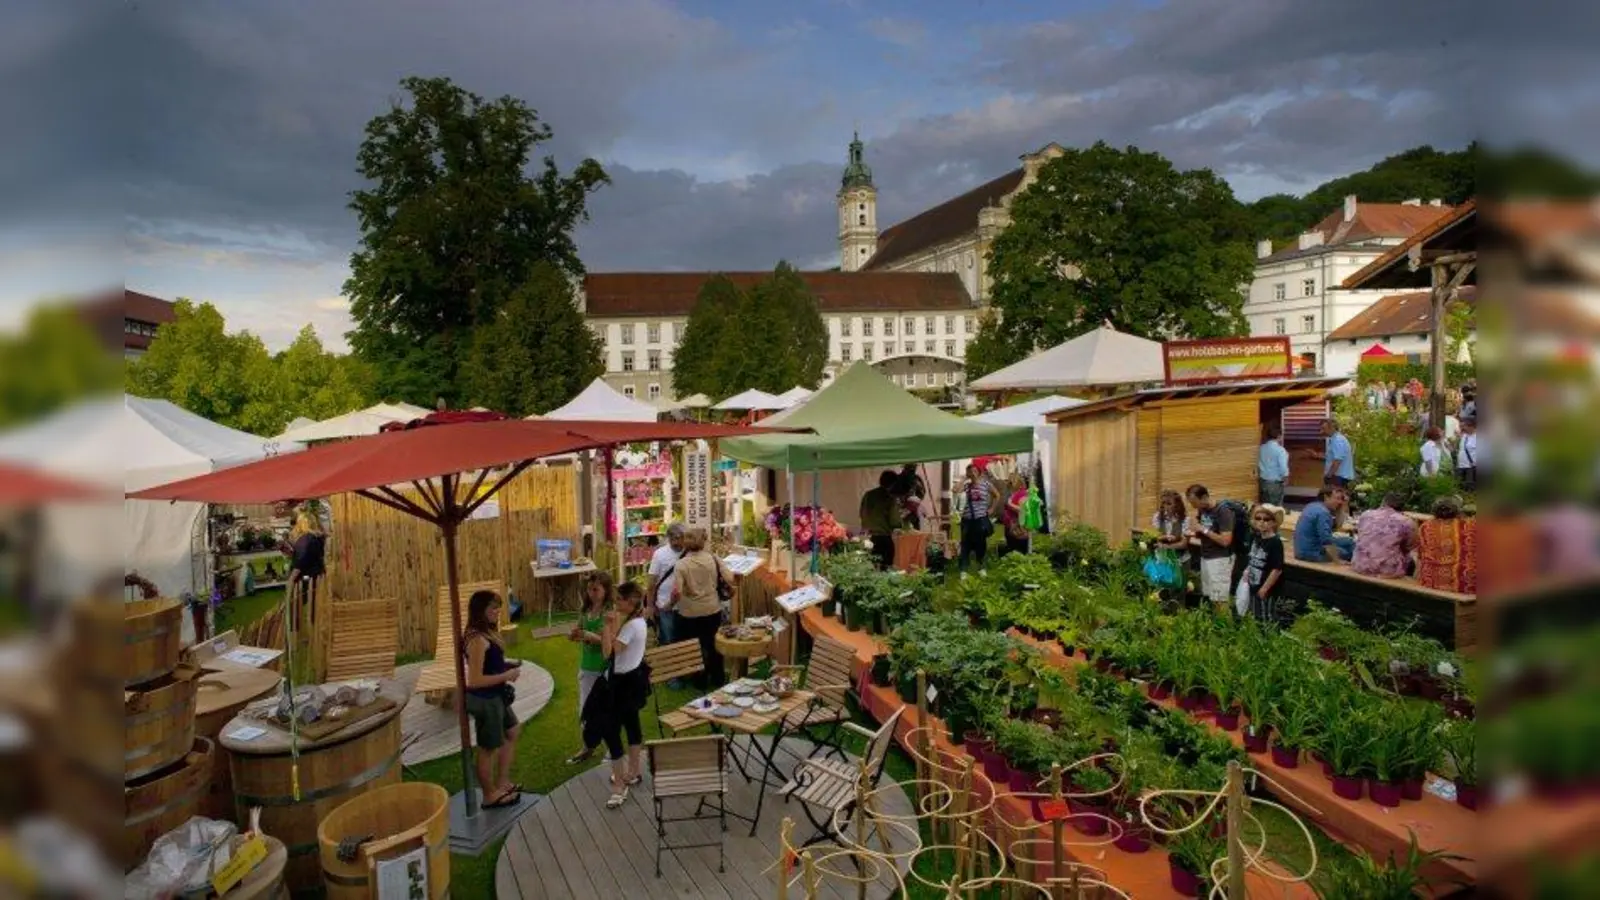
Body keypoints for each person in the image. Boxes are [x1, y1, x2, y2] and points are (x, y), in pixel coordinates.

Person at [462, 590, 523, 809]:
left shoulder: (486, 632)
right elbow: (475, 680)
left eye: (499, 608)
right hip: (485, 699)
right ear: (480, 611)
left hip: (496, 695)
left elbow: (491, 664)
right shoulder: (477, 639)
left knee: (513, 731)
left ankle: (502, 782)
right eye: (492, 609)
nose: (497, 612)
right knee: (488, 748)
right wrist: (506, 676)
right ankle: (489, 795)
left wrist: (507, 665)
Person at [599, 583, 650, 810]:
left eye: (619, 599)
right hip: (634, 680)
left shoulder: (630, 627)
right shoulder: (638, 622)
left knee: (611, 732)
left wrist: (607, 627)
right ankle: (634, 772)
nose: (616, 602)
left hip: (622, 685)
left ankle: (619, 786)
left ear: (631, 602)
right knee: (632, 725)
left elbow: (608, 652)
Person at [669, 527, 729, 688]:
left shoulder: (681, 564)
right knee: (713, 645)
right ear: (704, 541)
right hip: (712, 609)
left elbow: (677, 592)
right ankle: (718, 678)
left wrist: (668, 605)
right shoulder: (714, 559)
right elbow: (730, 578)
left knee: (695, 648)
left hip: (688, 612)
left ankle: (699, 681)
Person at [565, 572, 613, 766]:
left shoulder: (610, 613)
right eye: (589, 589)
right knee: (585, 711)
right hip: (586, 667)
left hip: (604, 668)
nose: (591, 593)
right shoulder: (585, 610)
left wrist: (590, 636)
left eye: (596, 589)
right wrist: (574, 634)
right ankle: (587, 747)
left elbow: (609, 642)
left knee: (605, 711)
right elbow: (579, 630)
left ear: (606, 590)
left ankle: (612, 749)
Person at [1183, 485, 1235, 606]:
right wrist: (1194, 532)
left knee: (1219, 600)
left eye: (1195, 503)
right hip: (1206, 556)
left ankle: (1224, 623)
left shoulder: (1223, 511)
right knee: (1209, 596)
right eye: (1191, 503)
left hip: (1220, 559)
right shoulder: (1202, 510)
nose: (1194, 507)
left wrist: (1203, 529)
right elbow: (1204, 532)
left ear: (1205, 497)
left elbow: (1226, 541)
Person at [1417, 497, 1477, 594]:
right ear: (1456, 510)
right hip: (1462, 585)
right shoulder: (1468, 525)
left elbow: (1420, 554)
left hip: (1431, 582)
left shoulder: (1425, 526)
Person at [1351, 493, 1418, 579]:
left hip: (1358, 565)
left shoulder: (1366, 514)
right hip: (1386, 571)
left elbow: (1360, 533)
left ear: (1383, 502)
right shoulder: (1406, 522)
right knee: (1411, 560)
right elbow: (1410, 546)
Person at [1239, 505, 1286, 623]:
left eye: (1266, 519)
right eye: (1258, 518)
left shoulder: (1275, 542)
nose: (1261, 522)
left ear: (1273, 523)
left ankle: (1270, 639)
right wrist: (1247, 572)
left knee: (1267, 616)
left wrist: (1265, 588)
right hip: (1253, 584)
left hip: (1265, 587)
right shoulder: (1256, 538)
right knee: (1256, 614)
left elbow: (1277, 569)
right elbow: (1252, 558)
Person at [646, 523, 687, 646]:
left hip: (686, 607)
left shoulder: (690, 552)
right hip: (665, 606)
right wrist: (650, 606)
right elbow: (651, 582)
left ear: (685, 537)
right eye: (672, 538)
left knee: (685, 642)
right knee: (668, 642)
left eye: (678, 538)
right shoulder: (660, 554)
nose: (675, 542)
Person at [284, 511, 326, 628]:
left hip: (306, 577)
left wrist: (291, 579)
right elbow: (311, 556)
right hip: (317, 574)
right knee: (314, 602)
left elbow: (301, 561)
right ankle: (315, 624)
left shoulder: (305, 539)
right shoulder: (318, 537)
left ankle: (297, 628)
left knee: (297, 601)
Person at [1293, 488, 1353, 563]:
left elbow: (1335, 528)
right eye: (1337, 498)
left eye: (1341, 499)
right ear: (1326, 497)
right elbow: (1326, 540)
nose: (1340, 502)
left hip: (1301, 549)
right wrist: (1337, 560)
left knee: (1349, 542)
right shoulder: (1323, 513)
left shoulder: (1311, 506)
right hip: (1312, 553)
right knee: (1348, 551)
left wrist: (1342, 507)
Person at [859, 471, 901, 570]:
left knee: (870, 568)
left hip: (869, 537)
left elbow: (862, 513)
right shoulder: (890, 498)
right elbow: (894, 521)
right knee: (886, 568)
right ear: (893, 483)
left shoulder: (868, 495)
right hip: (884, 538)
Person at [957, 464, 996, 571]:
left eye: (974, 470)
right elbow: (955, 490)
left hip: (980, 518)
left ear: (979, 472)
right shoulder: (966, 486)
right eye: (970, 471)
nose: (972, 473)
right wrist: (964, 478)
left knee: (981, 544)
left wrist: (992, 508)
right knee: (965, 544)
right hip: (967, 519)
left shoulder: (986, 484)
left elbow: (997, 495)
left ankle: (981, 567)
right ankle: (963, 569)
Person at [1257, 424, 1290, 506]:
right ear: (1279, 436)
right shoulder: (1280, 450)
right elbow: (1283, 468)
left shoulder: (1261, 448)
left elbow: (1258, 463)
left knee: (1265, 508)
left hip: (1263, 482)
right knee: (1276, 509)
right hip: (1275, 484)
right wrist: (1286, 478)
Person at [1318, 419, 1355, 489]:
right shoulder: (1334, 439)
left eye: (1324, 428)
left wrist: (1328, 476)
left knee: (1335, 498)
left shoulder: (1338, 440)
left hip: (1338, 477)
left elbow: (1337, 461)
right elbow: (1331, 457)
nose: (1321, 431)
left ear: (1332, 428)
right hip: (1337, 477)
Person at [1001, 475, 1031, 556]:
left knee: (1019, 550)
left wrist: (1009, 504)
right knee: (1012, 548)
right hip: (1011, 526)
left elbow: (1023, 510)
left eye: (1011, 482)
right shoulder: (1013, 493)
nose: (1009, 484)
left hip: (1018, 527)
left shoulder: (1023, 494)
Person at [894, 463, 928, 530]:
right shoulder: (897, 479)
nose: (914, 469)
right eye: (912, 467)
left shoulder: (916, 479)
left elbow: (922, 493)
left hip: (912, 512)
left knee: (914, 533)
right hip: (902, 511)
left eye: (914, 467)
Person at [1456, 417, 1479, 490]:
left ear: (1471, 426)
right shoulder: (1464, 435)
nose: (1462, 428)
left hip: (1471, 467)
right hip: (1460, 465)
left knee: (1470, 487)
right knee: (1459, 486)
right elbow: (1461, 449)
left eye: (1464, 426)